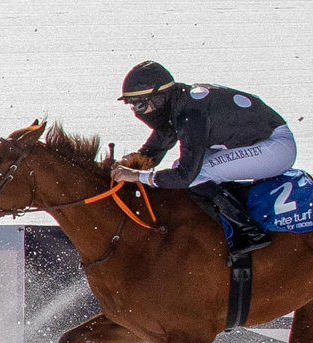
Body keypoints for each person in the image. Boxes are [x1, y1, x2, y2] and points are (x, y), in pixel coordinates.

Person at [109, 61, 295, 258]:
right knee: (185, 168)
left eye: (140, 105)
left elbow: (186, 177)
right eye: (132, 106)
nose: (137, 113)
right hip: (262, 143)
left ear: (160, 98)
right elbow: (162, 139)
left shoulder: (191, 114)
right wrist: (134, 162)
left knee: (199, 174)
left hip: (276, 149)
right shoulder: (179, 102)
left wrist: (139, 176)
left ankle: (251, 233)